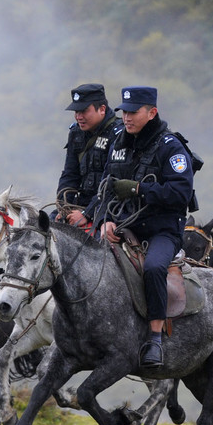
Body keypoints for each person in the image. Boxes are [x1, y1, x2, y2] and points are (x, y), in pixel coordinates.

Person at [88, 86, 195, 368]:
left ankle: (155, 339)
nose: (127, 117)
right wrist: (103, 221)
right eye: (124, 111)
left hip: (163, 229)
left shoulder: (171, 147)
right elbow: (106, 189)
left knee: (155, 268)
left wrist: (138, 189)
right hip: (125, 225)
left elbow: (180, 193)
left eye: (134, 112)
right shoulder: (119, 144)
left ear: (152, 113)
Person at [56, 83, 123, 228]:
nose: (78, 117)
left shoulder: (119, 134)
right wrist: (63, 207)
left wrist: (88, 213)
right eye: (76, 112)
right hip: (80, 204)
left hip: (110, 208)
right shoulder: (76, 132)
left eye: (84, 111)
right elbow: (70, 174)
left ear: (102, 109)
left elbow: (112, 182)